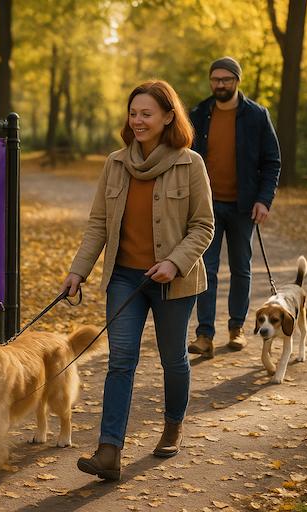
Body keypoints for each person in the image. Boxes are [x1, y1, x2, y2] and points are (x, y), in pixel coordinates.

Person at [61, 80, 214, 480]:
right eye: (134, 113)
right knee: (120, 361)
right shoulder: (115, 163)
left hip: (173, 281)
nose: (138, 120)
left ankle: (173, 426)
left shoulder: (190, 163)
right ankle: (109, 451)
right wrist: (79, 270)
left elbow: (203, 226)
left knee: (173, 358)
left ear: (168, 117)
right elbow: (98, 224)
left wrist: (175, 263)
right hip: (124, 278)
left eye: (147, 113)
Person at [187, 57, 281, 358]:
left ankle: (237, 328)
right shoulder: (199, 114)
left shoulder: (256, 115)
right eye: (215, 79)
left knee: (241, 269)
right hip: (207, 207)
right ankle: (204, 335)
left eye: (226, 79)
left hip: (243, 207)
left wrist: (263, 200)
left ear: (237, 81)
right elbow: (184, 158)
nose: (220, 84)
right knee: (207, 269)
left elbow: (272, 162)